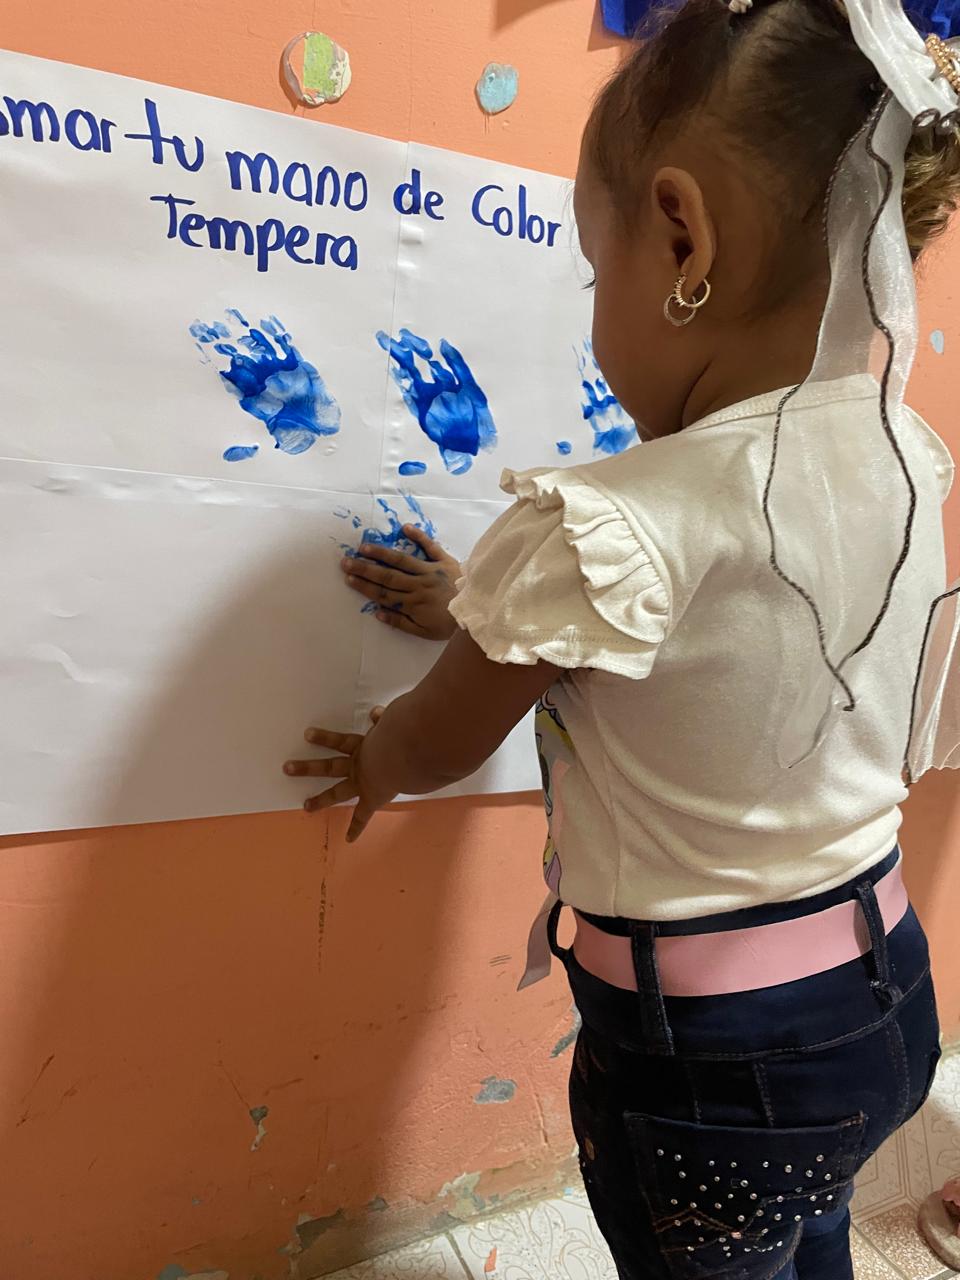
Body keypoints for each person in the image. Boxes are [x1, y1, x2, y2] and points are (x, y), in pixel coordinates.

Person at [283, 0, 960, 1274]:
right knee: (806, 1228)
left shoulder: (605, 519)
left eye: (599, 275)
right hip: (886, 999)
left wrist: (375, 758)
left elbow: (442, 735)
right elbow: (722, 636)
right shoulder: (905, 453)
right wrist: (479, 599)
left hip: (715, 1063)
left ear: (681, 237)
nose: (597, 309)